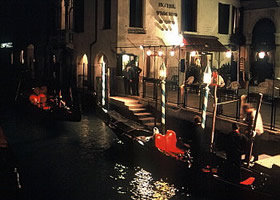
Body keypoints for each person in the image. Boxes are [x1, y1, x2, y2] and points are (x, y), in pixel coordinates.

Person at [240, 95, 264, 163]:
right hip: (256, 131)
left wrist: (250, 131)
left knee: (253, 146)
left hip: (257, 132)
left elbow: (254, 124)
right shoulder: (252, 113)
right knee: (249, 146)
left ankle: (253, 159)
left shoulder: (253, 114)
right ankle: (248, 158)